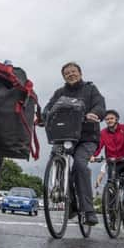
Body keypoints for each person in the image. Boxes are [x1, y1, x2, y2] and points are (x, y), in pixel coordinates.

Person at [42, 62, 105, 226]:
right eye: (67, 73)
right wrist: (43, 116)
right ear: (64, 76)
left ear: (80, 73)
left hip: (87, 137)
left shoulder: (91, 89)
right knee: (57, 160)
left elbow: (100, 105)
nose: (71, 74)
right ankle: (71, 205)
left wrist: (94, 113)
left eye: (74, 71)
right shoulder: (59, 93)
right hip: (63, 136)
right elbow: (49, 107)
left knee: (79, 166)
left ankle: (88, 211)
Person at [90, 109, 124, 208]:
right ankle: (111, 209)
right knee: (111, 182)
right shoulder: (103, 133)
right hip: (113, 162)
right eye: (107, 119)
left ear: (116, 119)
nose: (109, 120)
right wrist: (93, 155)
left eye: (111, 118)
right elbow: (98, 145)